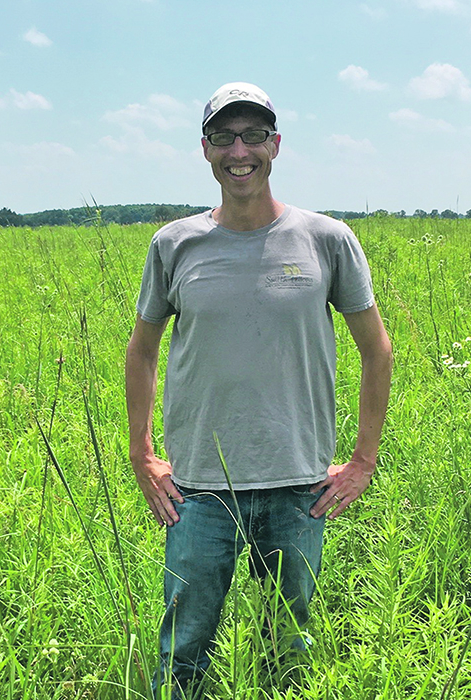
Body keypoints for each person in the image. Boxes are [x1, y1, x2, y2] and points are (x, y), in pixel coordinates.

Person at [125, 82, 393, 697]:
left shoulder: (326, 239)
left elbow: (377, 349)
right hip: (197, 490)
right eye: (224, 137)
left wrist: (362, 461)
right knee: (183, 650)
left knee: (289, 651)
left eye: (252, 136)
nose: (238, 150)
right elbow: (141, 350)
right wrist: (142, 455)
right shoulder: (175, 244)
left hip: (298, 485)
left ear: (276, 145)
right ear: (205, 149)